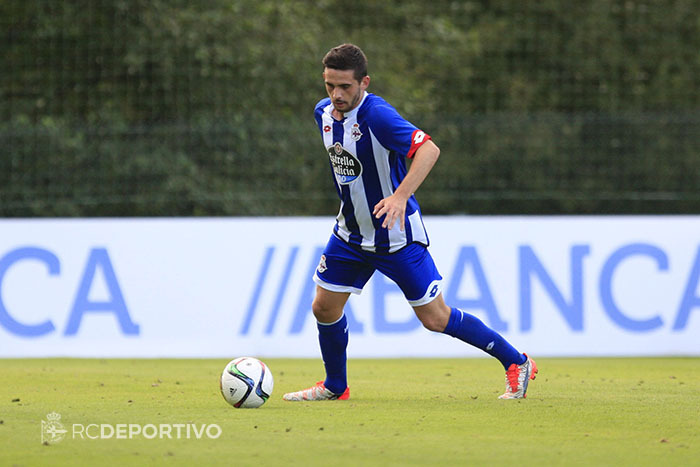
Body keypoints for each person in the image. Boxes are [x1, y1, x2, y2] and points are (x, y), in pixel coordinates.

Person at [282, 43, 537, 401]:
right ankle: (335, 386)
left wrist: (400, 196)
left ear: (364, 82)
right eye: (330, 86)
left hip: (395, 236)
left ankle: (517, 361)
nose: (336, 95)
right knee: (324, 307)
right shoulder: (322, 113)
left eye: (345, 87)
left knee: (435, 318)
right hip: (350, 233)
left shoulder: (379, 117)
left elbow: (428, 150)